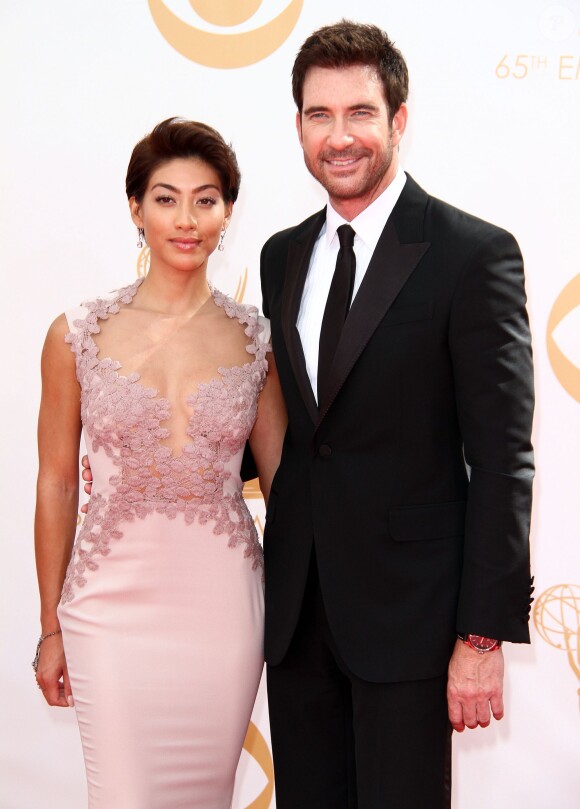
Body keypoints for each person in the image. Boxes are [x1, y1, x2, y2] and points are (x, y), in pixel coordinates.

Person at [259, 20, 535, 809]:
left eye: (360, 113)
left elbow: (503, 456)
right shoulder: (283, 255)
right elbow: (303, 428)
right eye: (319, 115)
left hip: (414, 622)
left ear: (399, 120)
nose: (339, 137)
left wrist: (480, 633)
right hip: (299, 617)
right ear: (300, 125)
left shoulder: (470, 253)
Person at [33, 117, 286, 809]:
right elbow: (55, 483)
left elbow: (292, 484)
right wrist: (50, 627)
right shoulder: (76, 333)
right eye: (166, 197)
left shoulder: (259, 340)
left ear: (227, 211)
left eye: (206, 199)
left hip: (224, 613)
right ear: (135, 208)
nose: (186, 218)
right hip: (107, 612)